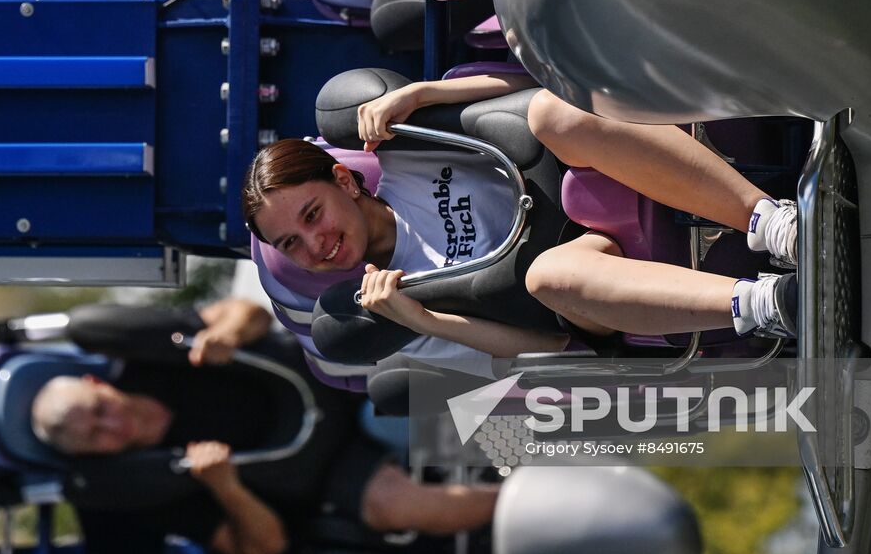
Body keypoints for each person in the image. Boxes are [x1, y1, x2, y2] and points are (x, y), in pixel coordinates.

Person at [243, 72, 799, 367]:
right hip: (581, 281)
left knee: (556, 111)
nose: (315, 243)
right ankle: (767, 304)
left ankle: (772, 223)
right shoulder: (385, 305)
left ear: (344, 179)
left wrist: (425, 93)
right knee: (548, 277)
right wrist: (420, 320)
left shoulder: (402, 152)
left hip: (587, 178)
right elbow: (545, 351)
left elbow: (527, 89)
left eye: (312, 215)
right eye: (292, 243)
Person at [30, 299, 497, 554]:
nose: (110, 425)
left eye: (97, 411)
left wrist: (227, 335)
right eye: (94, 437)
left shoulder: (148, 359)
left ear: (97, 383)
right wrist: (225, 488)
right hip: (326, 471)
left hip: (331, 382)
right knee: (398, 506)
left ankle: (561, 433)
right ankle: (534, 497)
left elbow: (246, 313)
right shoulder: (149, 486)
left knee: (405, 404)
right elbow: (262, 548)